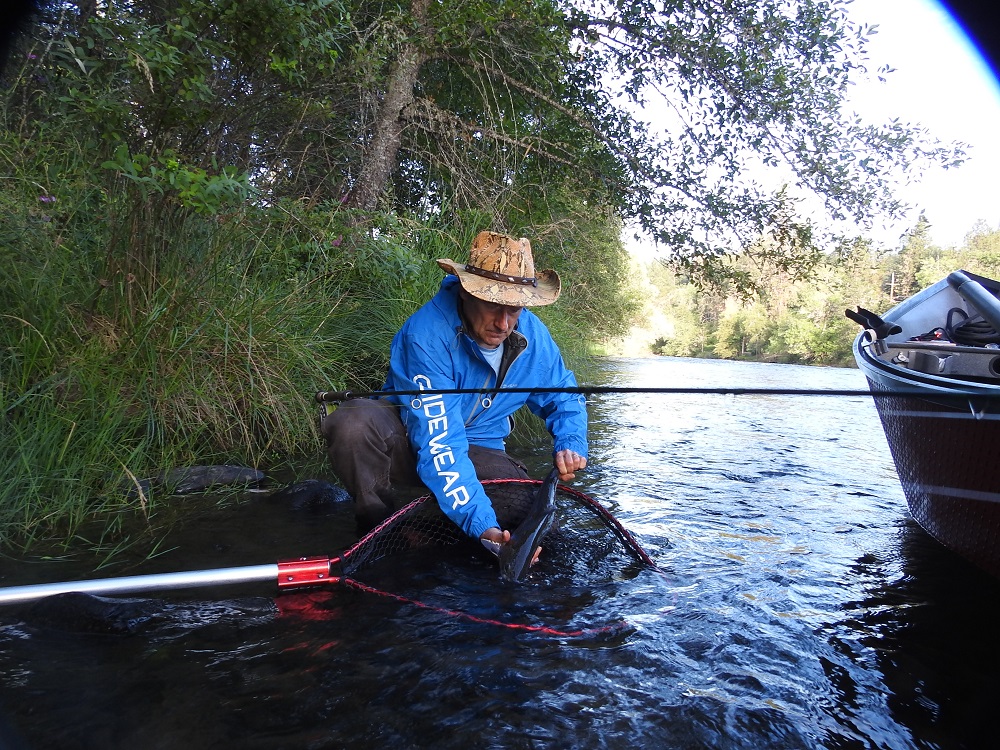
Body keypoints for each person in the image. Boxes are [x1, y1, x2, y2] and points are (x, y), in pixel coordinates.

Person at [322, 230, 588, 556]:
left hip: (482, 452)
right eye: (493, 304)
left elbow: (562, 394)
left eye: (515, 309)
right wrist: (483, 526)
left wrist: (570, 442)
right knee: (353, 423)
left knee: (528, 522)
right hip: (407, 437)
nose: (504, 324)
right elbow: (440, 443)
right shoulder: (427, 334)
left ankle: (428, 529)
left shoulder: (534, 337)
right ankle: (379, 531)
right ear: (466, 292)